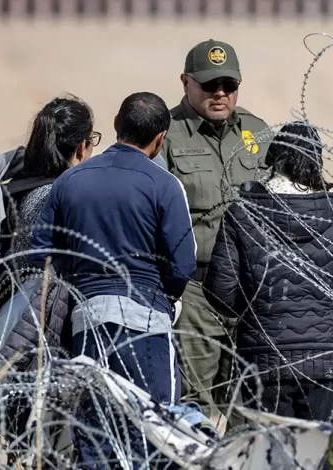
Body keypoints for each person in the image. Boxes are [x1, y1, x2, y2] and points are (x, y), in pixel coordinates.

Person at [29, 92, 197, 468]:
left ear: (117, 125)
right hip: (147, 325)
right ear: (160, 139)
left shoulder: (70, 181)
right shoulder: (165, 185)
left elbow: (40, 255)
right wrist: (162, 297)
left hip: (87, 324)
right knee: (158, 437)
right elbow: (183, 264)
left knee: (96, 439)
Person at [203, 121, 333, 422]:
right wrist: (323, 328)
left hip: (262, 360)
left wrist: (256, 317)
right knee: (318, 456)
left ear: (273, 160)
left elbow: (220, 290)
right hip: (322, 363)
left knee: (269, 455)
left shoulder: (242, 213)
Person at [0, 96, 98, 464]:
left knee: (24, 446)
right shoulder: (65, 195)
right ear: (81, 147)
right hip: (48, 329)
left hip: (5, 326)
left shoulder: (14, 187)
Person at [162, 38, 271, 419]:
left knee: (251, 403)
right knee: (196, 402)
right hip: (196, 291)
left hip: (249, 290)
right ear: (186, 83)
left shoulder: (258, 134)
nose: (220, 94)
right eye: (210, 85)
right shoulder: (167, 136)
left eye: (229, 85)